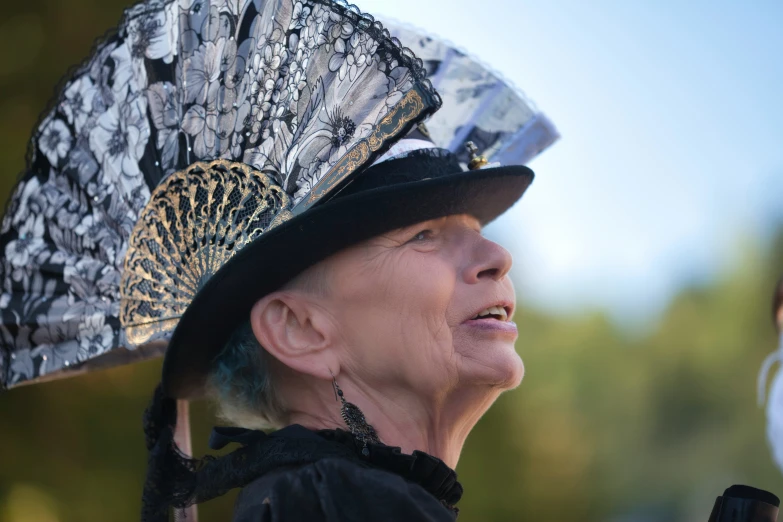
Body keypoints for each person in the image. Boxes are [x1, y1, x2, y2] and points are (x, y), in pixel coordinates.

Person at [0, 0, 556, 519]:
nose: (497, 257)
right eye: (424, 235)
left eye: (476, 229)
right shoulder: (341, 503)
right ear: (299, 328)